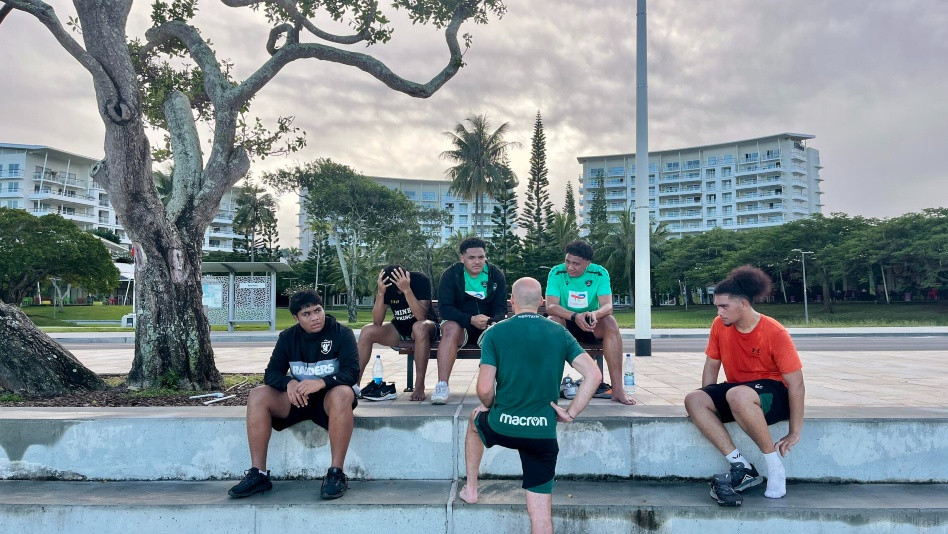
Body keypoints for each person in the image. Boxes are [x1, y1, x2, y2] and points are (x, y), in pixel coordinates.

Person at [459, 277, 601, 534]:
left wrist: (490, 406)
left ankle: (471, 489)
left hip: (502, 426)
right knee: (541, 517)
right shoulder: (560, 332)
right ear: (543, 303)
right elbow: (594, 375)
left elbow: (483, 389)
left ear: (511, 302)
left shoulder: (495, 332)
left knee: (473, 421)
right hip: (542, 434)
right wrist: (571, 413)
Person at [683, 265, 805, 507]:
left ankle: (774, 467)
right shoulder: (720, 325)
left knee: (738, 394)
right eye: (717, 306)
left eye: (724, 306)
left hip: (773, 394)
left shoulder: (774, 332)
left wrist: (794, 431)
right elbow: (711, 365)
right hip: (738, 391)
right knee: (694, 399)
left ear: (744, 305)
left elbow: (797, 385)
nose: (719, 312)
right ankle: (742, 465)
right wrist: (707, 401)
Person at [228, 290, 358, 500]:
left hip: (329, 400)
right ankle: (258, 474)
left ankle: (336, 473)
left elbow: (352, 373)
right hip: (298, 400)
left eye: (318, 310)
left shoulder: (342, 333)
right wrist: (288, 382)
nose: (315, 317)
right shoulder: (288, 337)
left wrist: (321, 382)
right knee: (257, 395)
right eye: (307, 314)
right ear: (296, 318)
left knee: (343, 393)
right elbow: (271, 374)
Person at [544, 240, 635, 405]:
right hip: (567, 322)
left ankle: (618, 389)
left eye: (576, 264)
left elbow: (607, 306)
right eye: (568, 261)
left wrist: (594, 314)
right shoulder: (556, 272)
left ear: (587, 263)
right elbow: (551, 306)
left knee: (610, 322)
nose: (570, 267)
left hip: (591, 323)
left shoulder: (599, 273)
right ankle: (550, 388)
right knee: (552, 321)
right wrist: (574, 316)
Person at [435, 236, 508, 405]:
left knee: (500, 333)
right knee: (450, 328)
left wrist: (489, 321)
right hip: (461, 326)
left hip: (487, 326)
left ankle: (502, 388)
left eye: (481, 257)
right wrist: (470, 319)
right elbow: (445, 308)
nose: (477, 261)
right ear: (462, 258)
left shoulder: (495, 275)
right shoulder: (451, 274)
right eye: (472, 258)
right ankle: (442, 385)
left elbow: (501, 309)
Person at [356, 265, 439, 401]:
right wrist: (381, 293)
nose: (398, 292)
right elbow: (377, 321)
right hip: (400, 328)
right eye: (396, 290)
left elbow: (422, 317)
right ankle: (354, 385)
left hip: (426, 327)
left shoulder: (420, 280)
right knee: (367, 330)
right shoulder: (387, 286)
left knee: (419, 327)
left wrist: (406, 290)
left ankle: (419, 386)